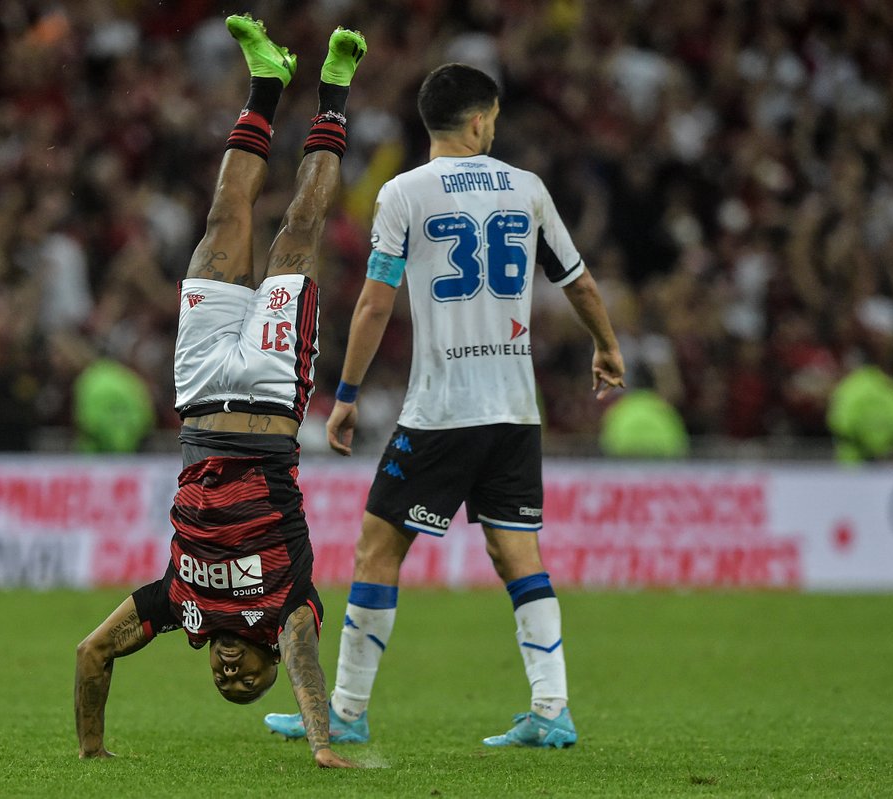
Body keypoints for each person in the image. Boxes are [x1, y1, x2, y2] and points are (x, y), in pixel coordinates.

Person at [264, 63, 624, 749]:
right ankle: (552, 708)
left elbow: (376, 301)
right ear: (481, 119)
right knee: (517, 550)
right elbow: (577, 281)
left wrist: (344, 396)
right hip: (516, 410)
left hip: (442, 411)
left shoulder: (404, 194)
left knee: (376, 547)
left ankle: (346, 709)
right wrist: (606, 347)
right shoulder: (529, 189)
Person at [74, 15, 366, 769]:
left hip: (199, 395)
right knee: (297, 228)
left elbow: (90, 652)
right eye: (247, 681)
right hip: (271, 395)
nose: (232, 673)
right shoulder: (287, 607)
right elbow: (305, 665)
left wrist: (91, 752)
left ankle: (266, 82)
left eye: (223, 680)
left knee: (219, 223)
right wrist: (324, 744)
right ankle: (333, 93)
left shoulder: (182, 601)